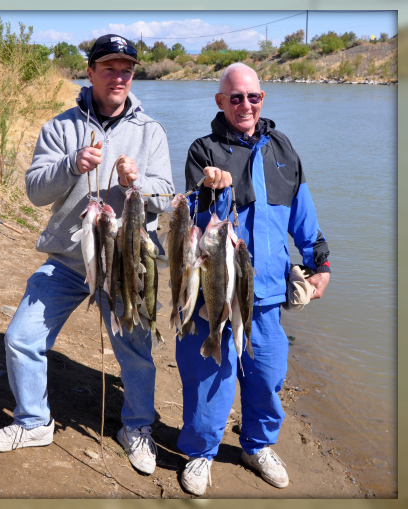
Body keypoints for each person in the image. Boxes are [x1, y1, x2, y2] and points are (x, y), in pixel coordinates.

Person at [0, 34, 175, 477]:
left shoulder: (152, 132)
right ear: (89, 73)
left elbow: (167, 199)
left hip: (128, 263)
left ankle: (137, 428)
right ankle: (33, 422)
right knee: (21, 337)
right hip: (69, 261)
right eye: (109, 68)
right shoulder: (59, 127)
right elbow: (34, 191)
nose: (119, 76)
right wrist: (71, 164)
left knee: (136, 350)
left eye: (126, 69)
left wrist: (137, 183)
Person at [176, 62, 331, 496]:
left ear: (263, 98)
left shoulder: (282, 148)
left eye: (254, 96)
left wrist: (320, 264)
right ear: (220, 101)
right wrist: (213, 190)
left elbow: (302, 213)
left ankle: (257, 446)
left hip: (265, 297)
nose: (246, 104)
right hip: (214, 294)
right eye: (236, 97)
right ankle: (201, 452)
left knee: (266, 376)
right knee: (209, 376)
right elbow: (194, 225)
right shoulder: (202, 150)